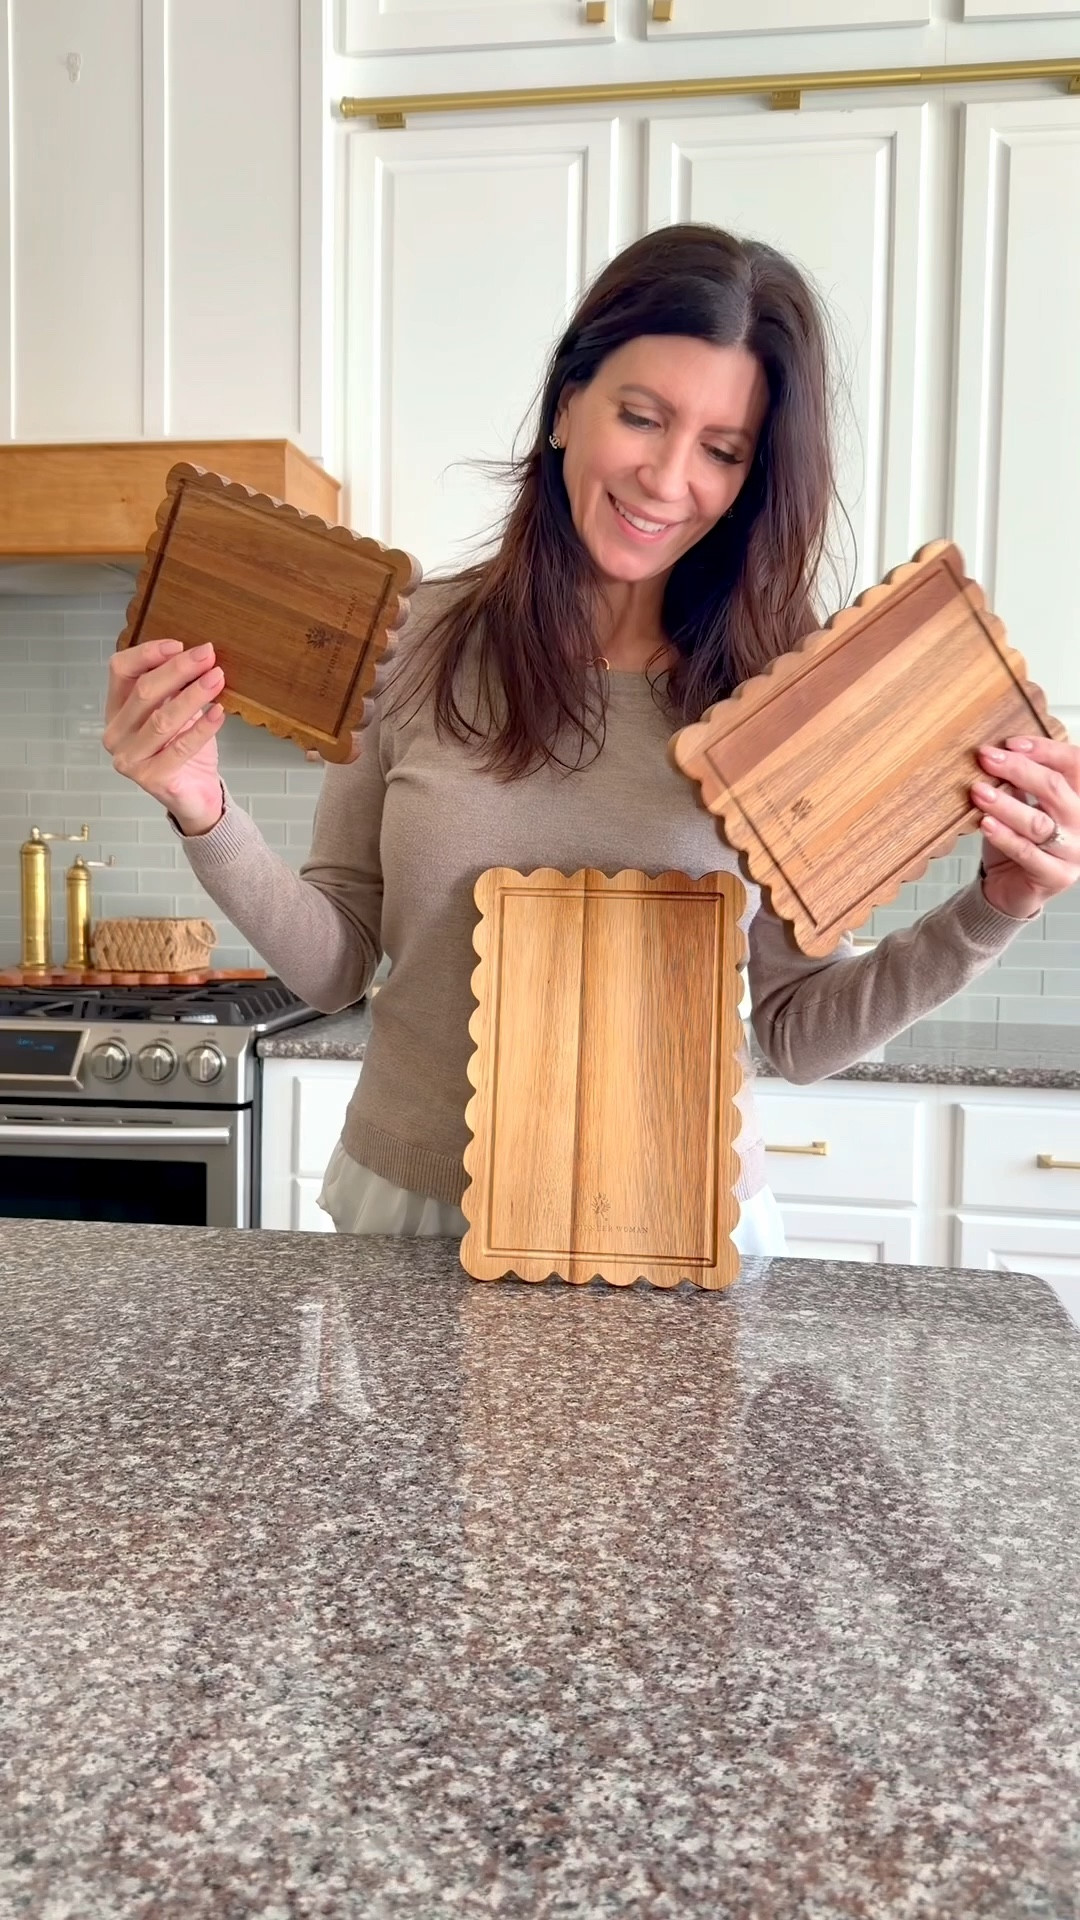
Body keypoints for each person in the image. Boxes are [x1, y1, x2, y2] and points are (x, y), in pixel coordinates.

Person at [103, 224, 1080, 1254]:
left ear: (752, 478)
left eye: (722, 450)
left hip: (682, 1226)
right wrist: (203, 810)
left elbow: (797, 1031)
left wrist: (996, 907)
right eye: (642, 417)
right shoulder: (415, 642)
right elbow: (340, 963)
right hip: (414, 1212)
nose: (667, 477)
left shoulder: (788, 698)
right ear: (569, 404)